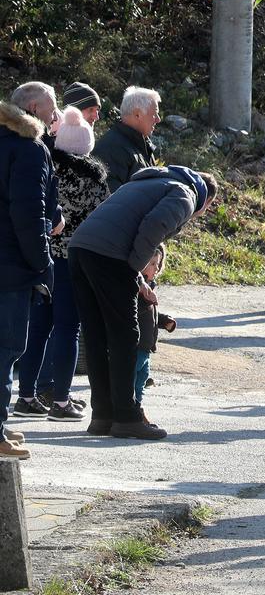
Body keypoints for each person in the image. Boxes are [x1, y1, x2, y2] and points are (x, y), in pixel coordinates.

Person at [68, 164, 216, 440]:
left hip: (80, 249)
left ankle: (103, 415)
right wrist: (134, 272)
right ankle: (126, 417)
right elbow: (153, 228)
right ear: (206, 200)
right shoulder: (185, 194)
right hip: (108, 256)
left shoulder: (147, 181)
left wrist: (134, 277)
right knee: (126, 335)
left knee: (97, 334)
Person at [14, 105, 106, 422]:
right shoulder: (94, 181)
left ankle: (26, 396)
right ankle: (61, 400)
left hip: (44, 257)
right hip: (75, 261)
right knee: (68, 328)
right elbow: (102, 224)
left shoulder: (45, 168)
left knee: (38, 328)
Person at [1, 84, 59, 459]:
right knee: (5, 349)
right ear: (34, 109)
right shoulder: (28, 148)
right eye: (53, 114)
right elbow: (29, 214)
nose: (55, 121)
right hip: (10, 267)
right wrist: (43, 263)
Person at [133, 245, 176, 408]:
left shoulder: (150, 287)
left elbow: (150, 315)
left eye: (158, 264)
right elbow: (136, 313)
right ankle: (130, 408)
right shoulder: (137, 289)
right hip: (136, 346)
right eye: (152, 263)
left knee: (142, 379)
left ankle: (138, 406)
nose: (156, 268)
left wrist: (164, 321)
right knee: (131, 379)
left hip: (146, 347)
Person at [97, 86, 160, 191]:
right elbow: (110, 201)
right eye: (154, 114)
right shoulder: (112, 149)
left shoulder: (141, 144)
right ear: (137, 114)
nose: (158, 119)